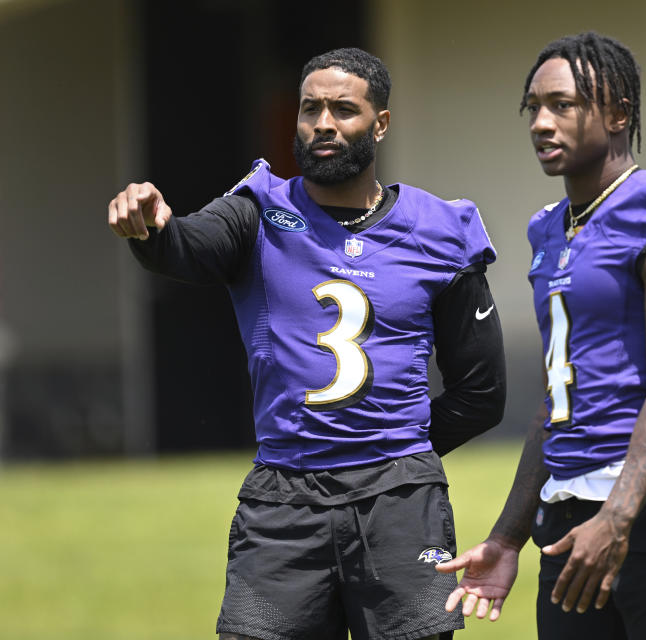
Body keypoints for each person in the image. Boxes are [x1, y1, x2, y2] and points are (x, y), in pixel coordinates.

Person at [108, 47, 506, 640]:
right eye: (310, 108)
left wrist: (398, 454)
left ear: (381, 123)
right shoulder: (261, 209)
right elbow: (187, 247)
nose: (323, 123)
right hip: (283, 500)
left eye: (343, 109)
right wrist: (152, 226)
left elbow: (482, 392)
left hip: (399, 505)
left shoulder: (439, 229)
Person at [437, 32, 646, 639]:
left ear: (617, 115)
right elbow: (558, 399)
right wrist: (507, 538)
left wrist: (618, 516)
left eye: (563, 105)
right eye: (534, 107)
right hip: (566, 510)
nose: (541, 123)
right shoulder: (549, 229)